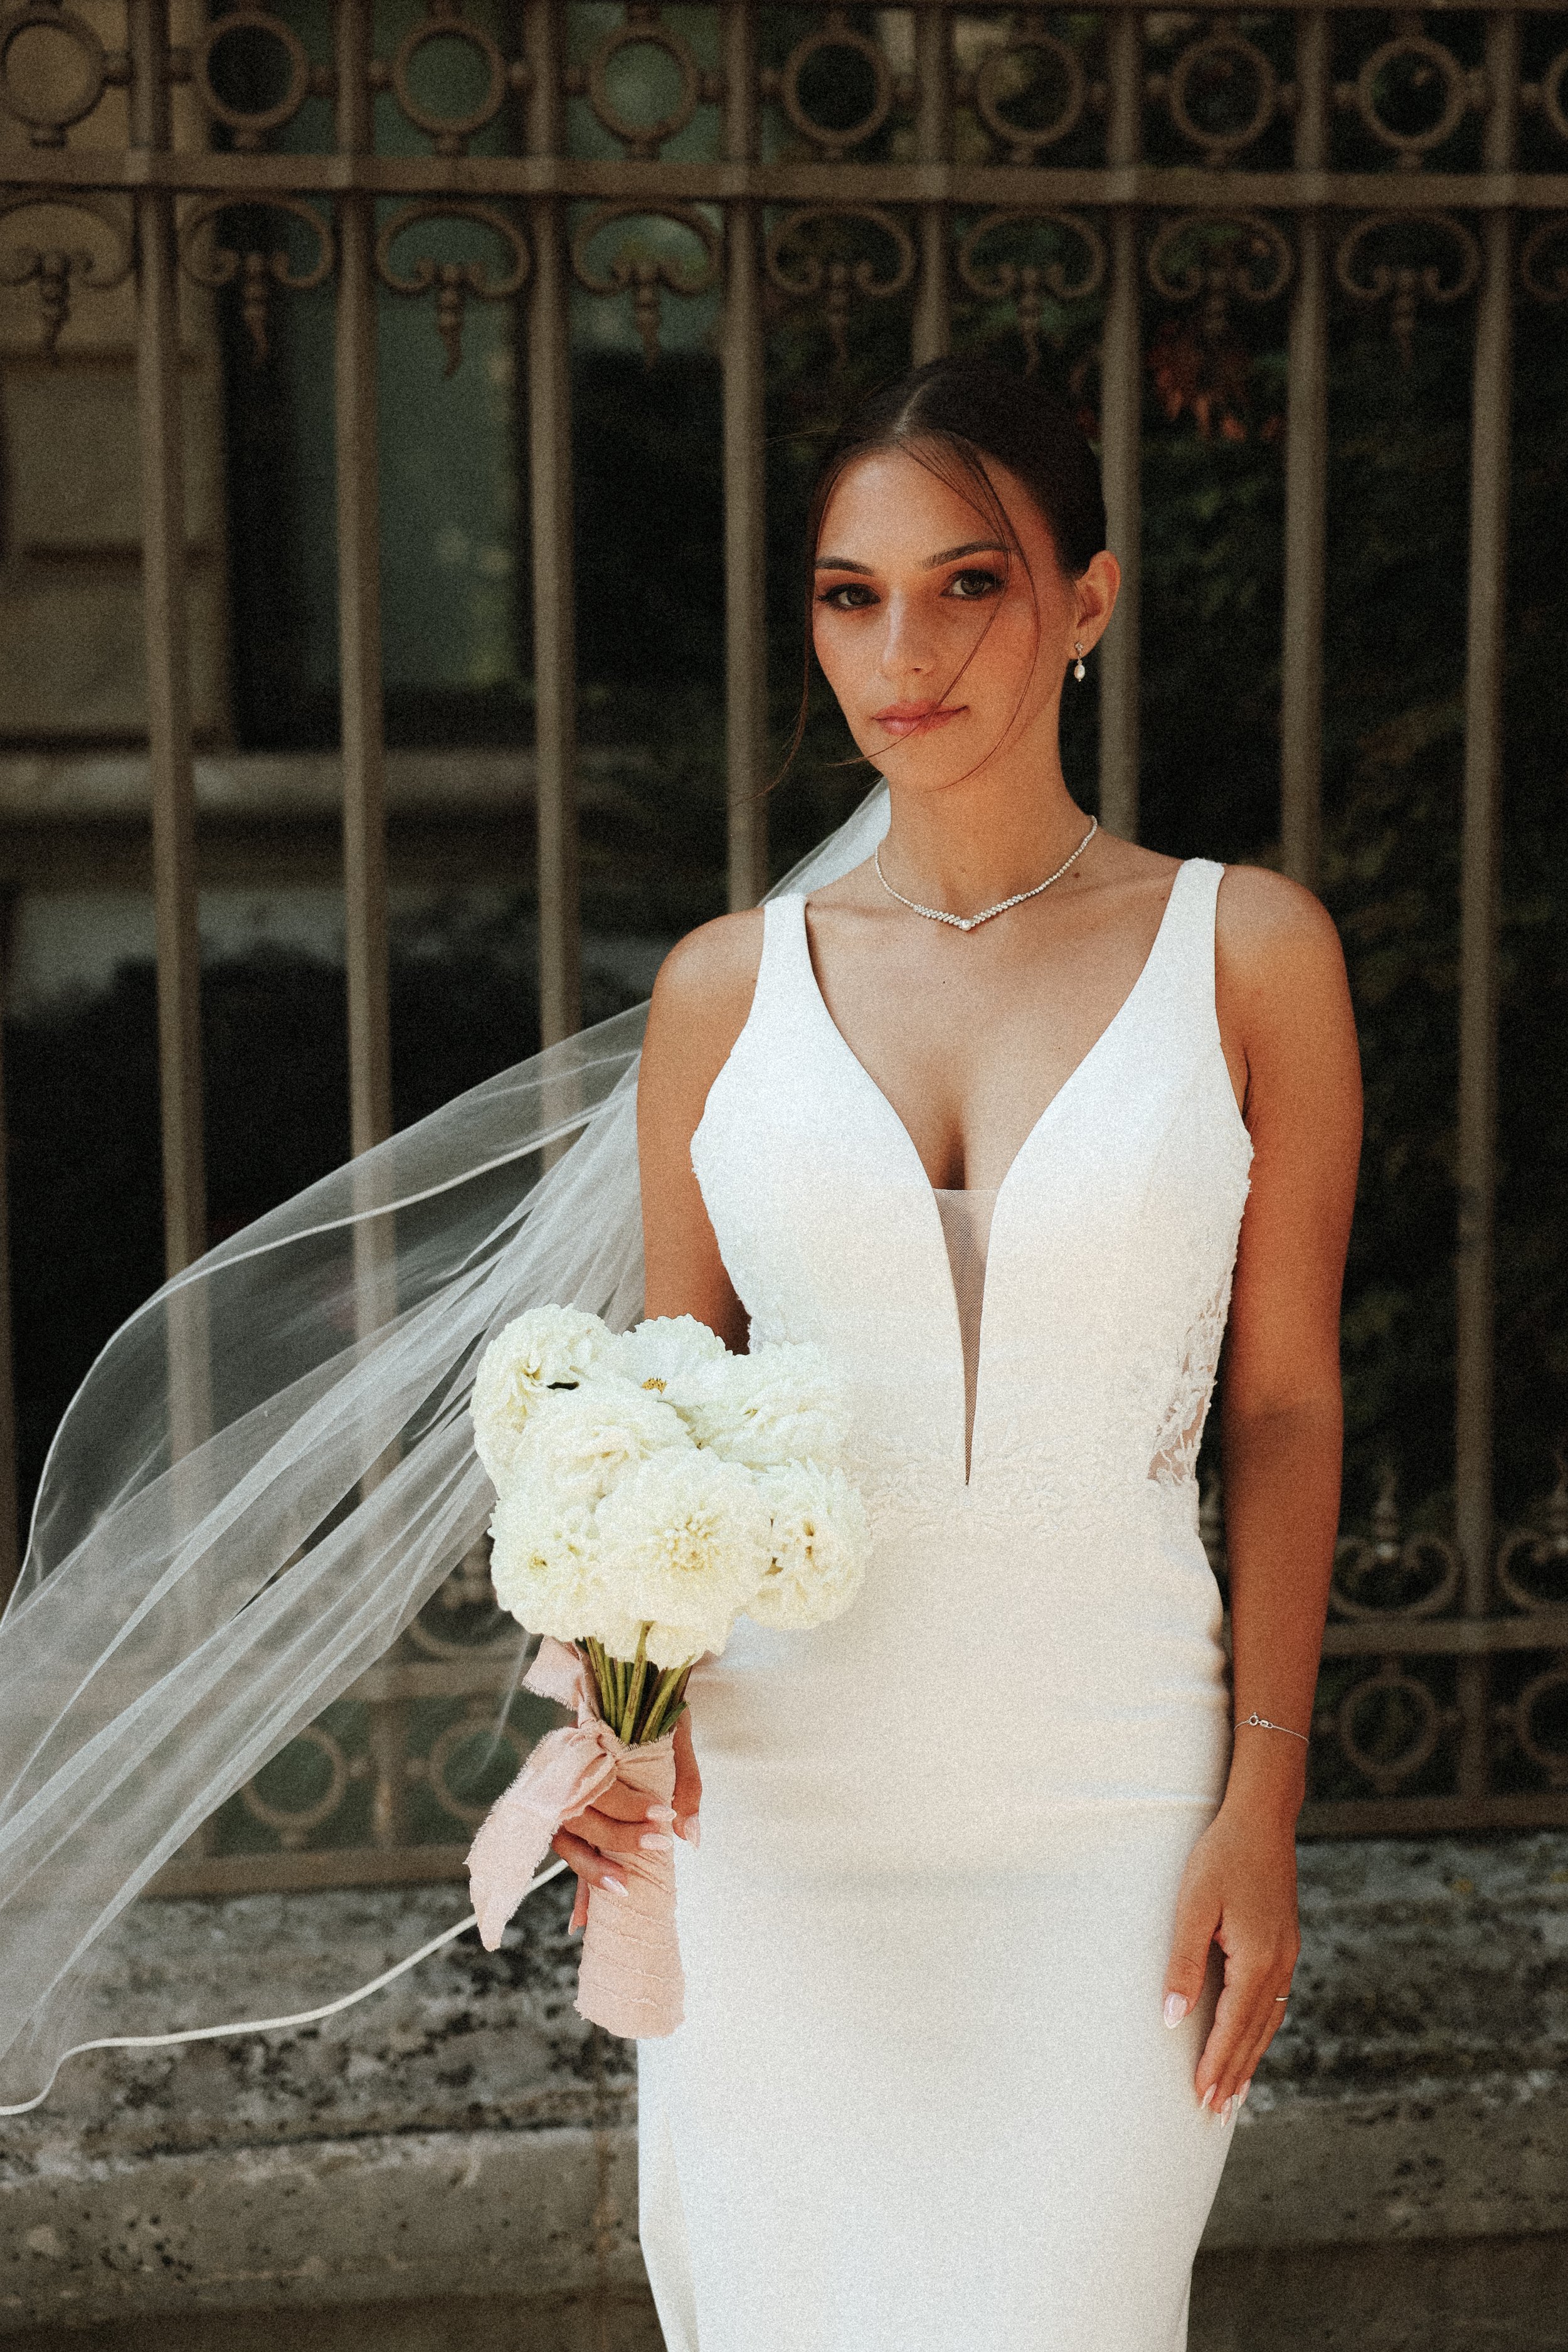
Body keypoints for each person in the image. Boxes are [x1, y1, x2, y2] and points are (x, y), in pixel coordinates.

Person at [545, 357, 1362, 2351]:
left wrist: (1258, 1809)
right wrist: (604, 1721)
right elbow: (662, 1435)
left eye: (964, 585)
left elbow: (1278, 1405)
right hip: (774, 1825)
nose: (901, 654)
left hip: (1115, 1810)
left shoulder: (1246, 951)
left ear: (1085, 599)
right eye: (850, 596)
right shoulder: (724, 993)